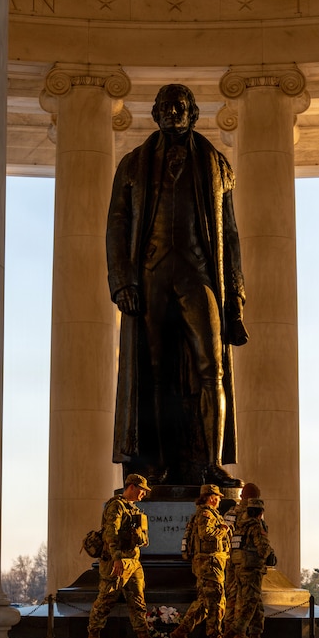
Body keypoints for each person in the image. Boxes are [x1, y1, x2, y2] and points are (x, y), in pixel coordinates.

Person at [106, 83, 248, 486]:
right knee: (152, 372)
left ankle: (210, 462)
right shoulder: (132, 164)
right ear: (154, 114)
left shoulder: (218, 165)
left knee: (212, 367)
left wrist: (235, 294)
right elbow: (117, 225)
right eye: (164, 107)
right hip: (150, 274)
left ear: (192, 112)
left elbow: (231, 235)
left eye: (179, 106)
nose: (171, 112)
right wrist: (121, 281)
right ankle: (155, 464)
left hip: (198, 274)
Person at [86, 473, 169, 638]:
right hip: (118, 560)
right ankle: (93, 637)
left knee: (137, 600)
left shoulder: (134, 509)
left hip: (133, 561)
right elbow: (110, 533)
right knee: (106, 599)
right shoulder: (116, 506)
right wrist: (116, 558)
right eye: (142, 490)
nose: (144, 494)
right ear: (131, 487)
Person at [170, 483, 233, 638]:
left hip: (212, 562)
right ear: (212, 497)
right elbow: (207, 535)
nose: (219, 500)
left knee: (206, 601)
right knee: (215, 600)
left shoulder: (210, 514)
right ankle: (214, 637)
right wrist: (223, 529)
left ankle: (182, 630)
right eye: (218, 497)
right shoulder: (206, 514)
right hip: (209, 563)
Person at [222, 497, 275, 638]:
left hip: (240, 568)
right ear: (260, 512)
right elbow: (263, 548)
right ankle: (230, 634)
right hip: (252, 570)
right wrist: (269, 554)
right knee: (249, 605)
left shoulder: (240, 526)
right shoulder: (257, 526)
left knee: (257, 605)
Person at [222, 482, 262, 638]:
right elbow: (259, 538)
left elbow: (224, 535)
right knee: (250, 599)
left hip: (232, 560)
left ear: (240, 496)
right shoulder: (254, 512)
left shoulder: (231, 512)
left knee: (232, 596)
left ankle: (228, 631)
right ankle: (245, 634)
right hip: (249, 562)